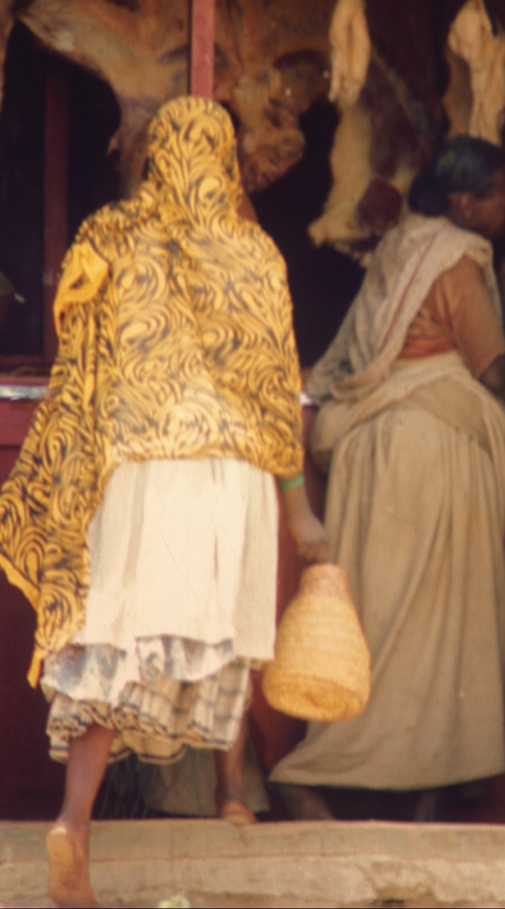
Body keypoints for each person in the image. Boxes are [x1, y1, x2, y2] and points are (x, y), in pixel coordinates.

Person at [0, 96, 329, 909]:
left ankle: (74, 820)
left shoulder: (109, 237)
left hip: (134, 468)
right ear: (221, 160)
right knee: (197, 640)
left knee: (114, 636)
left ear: (155, 157)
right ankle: (230, 793)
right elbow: (275, 387)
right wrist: (299, 507)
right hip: (226, 474)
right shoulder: (252, 253)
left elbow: (76, 344)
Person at [270, 135, 505, 821]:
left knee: (379, 621)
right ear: (464, 202)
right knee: (439, 627)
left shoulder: (399, 245)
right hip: (430, 450)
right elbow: (494, 371)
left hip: (372, 450)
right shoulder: (461, 260)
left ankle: (383, 789)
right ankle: (318, 775)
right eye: (503, 196)